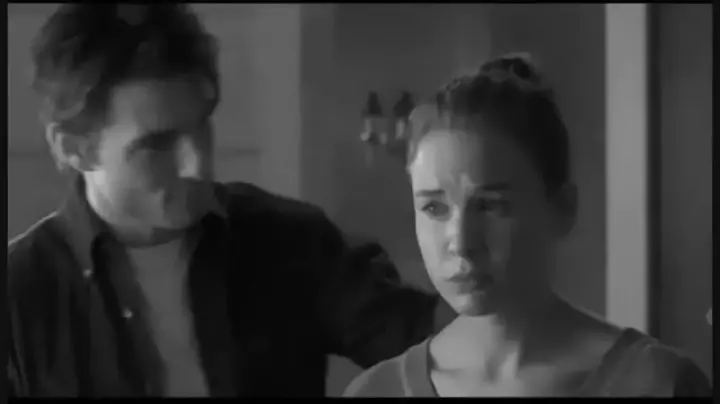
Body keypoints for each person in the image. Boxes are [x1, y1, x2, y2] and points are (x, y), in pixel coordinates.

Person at [7, 4, 446, 397]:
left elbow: (439, 349)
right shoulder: (17, 297)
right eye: (157, 145)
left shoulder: (289, 240)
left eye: (202, 126)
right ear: (73, 148)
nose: (197, 164)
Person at [344, 54, 712, 397]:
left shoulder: (658, 384)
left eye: (491, 205)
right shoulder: (377, 391)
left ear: (562, 208)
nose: (461, 242)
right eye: (434, 208)